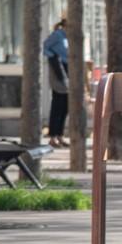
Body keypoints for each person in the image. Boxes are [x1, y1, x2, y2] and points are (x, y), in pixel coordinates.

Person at [43, 18, 70, 148]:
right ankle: (52, 136)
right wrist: (53, 58)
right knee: (57, 105)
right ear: (65, 26)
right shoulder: (57, 35)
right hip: (58, 70)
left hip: (67, 69)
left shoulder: (68, 38)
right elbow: (45, 47)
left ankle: (60, 135)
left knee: (65, 106)